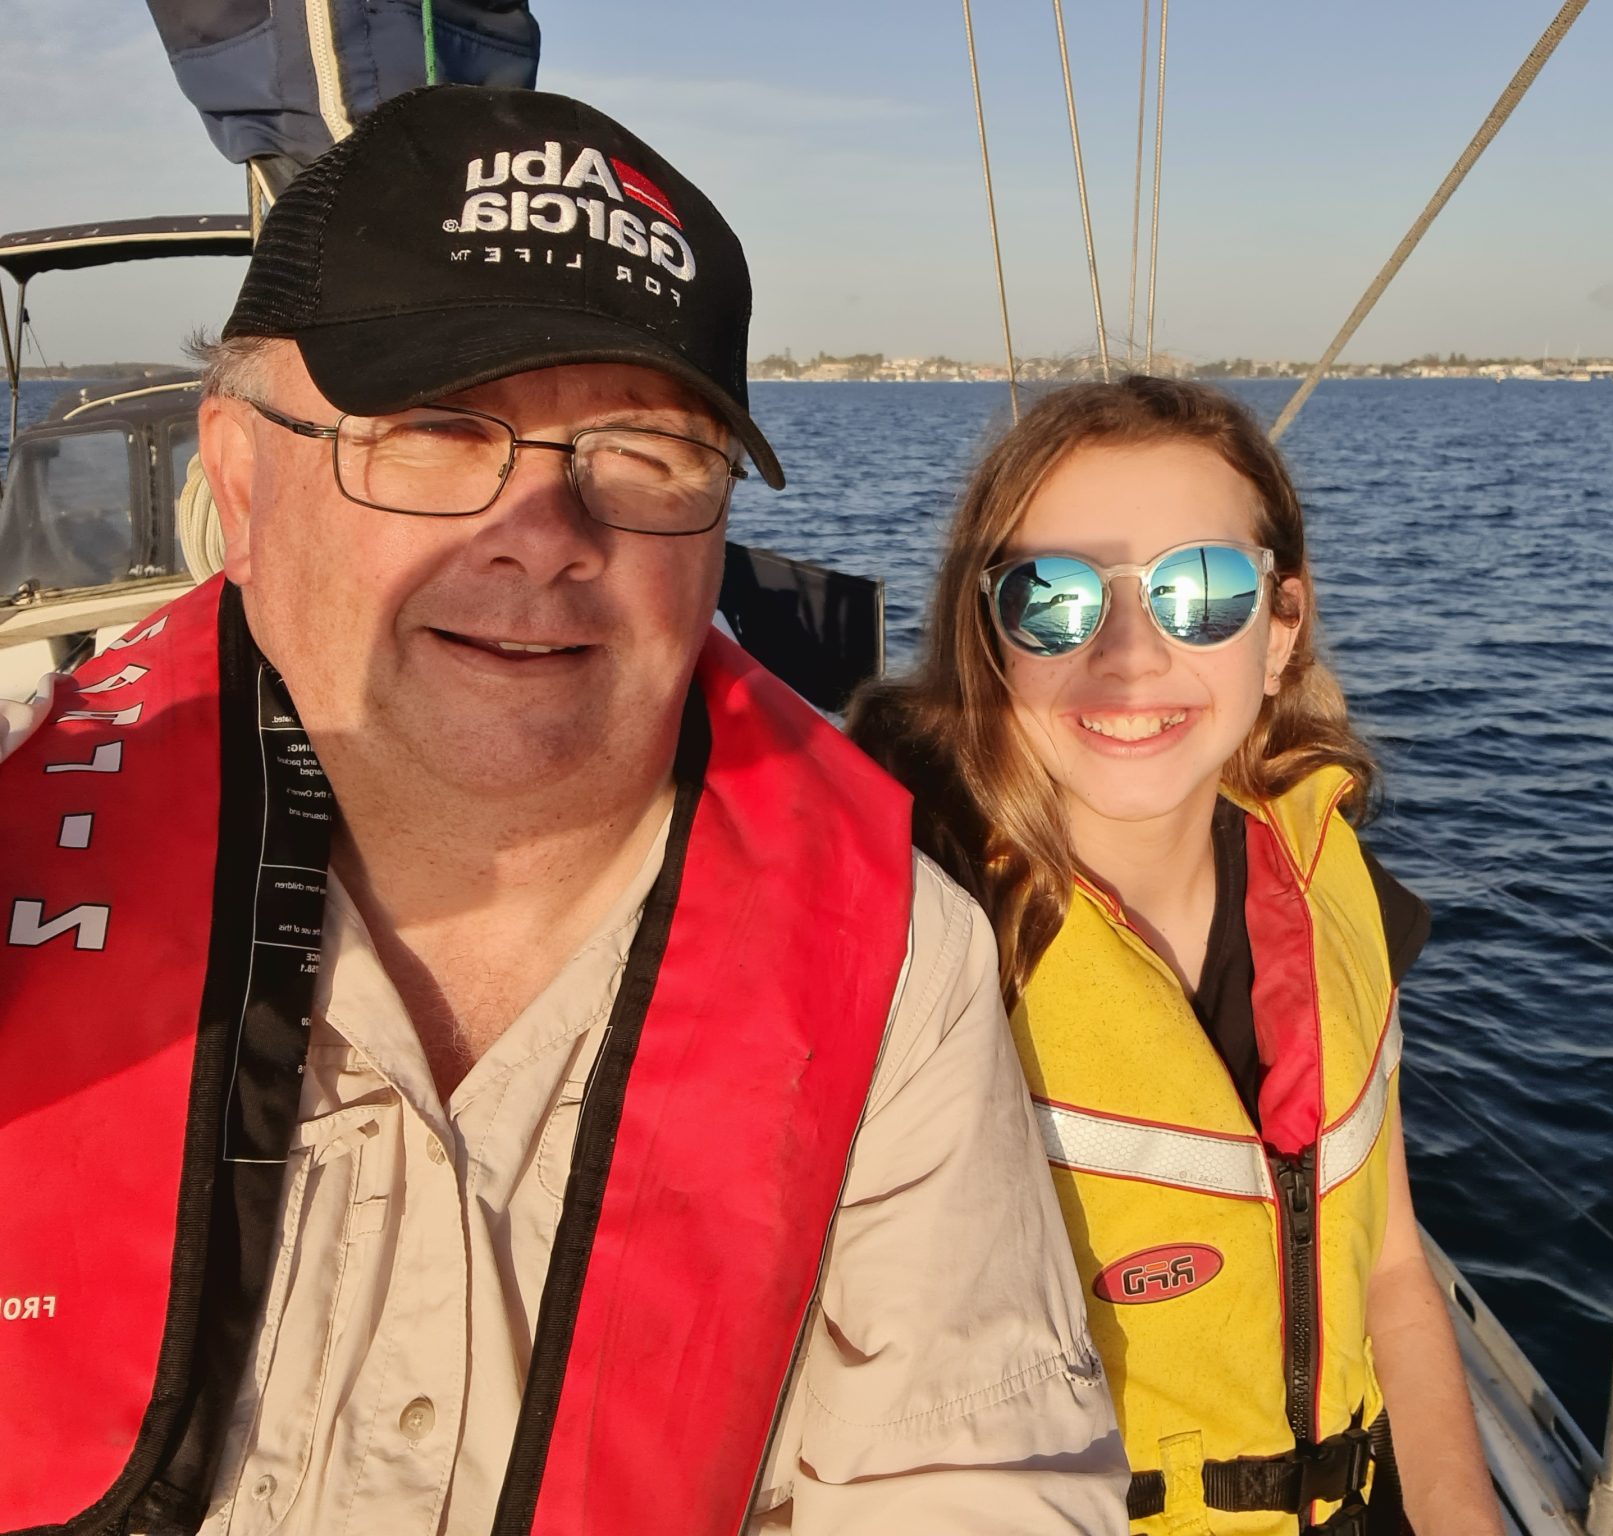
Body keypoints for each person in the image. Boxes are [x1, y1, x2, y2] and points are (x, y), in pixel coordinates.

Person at [0, 86, 1126, 1535]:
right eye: (429, 432)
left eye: (645, 454)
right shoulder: (17, 836)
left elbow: (976, 1483)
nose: (541, 536)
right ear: (239, 472)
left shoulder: (896, 955)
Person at [850, 376, 1503, 1536]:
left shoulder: (1332, 886)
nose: (1130, 655)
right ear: (986, 636)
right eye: (1051, 599)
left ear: (1280, 629)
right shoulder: (904, 947)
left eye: (1200, 592)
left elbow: (1393, 1272)